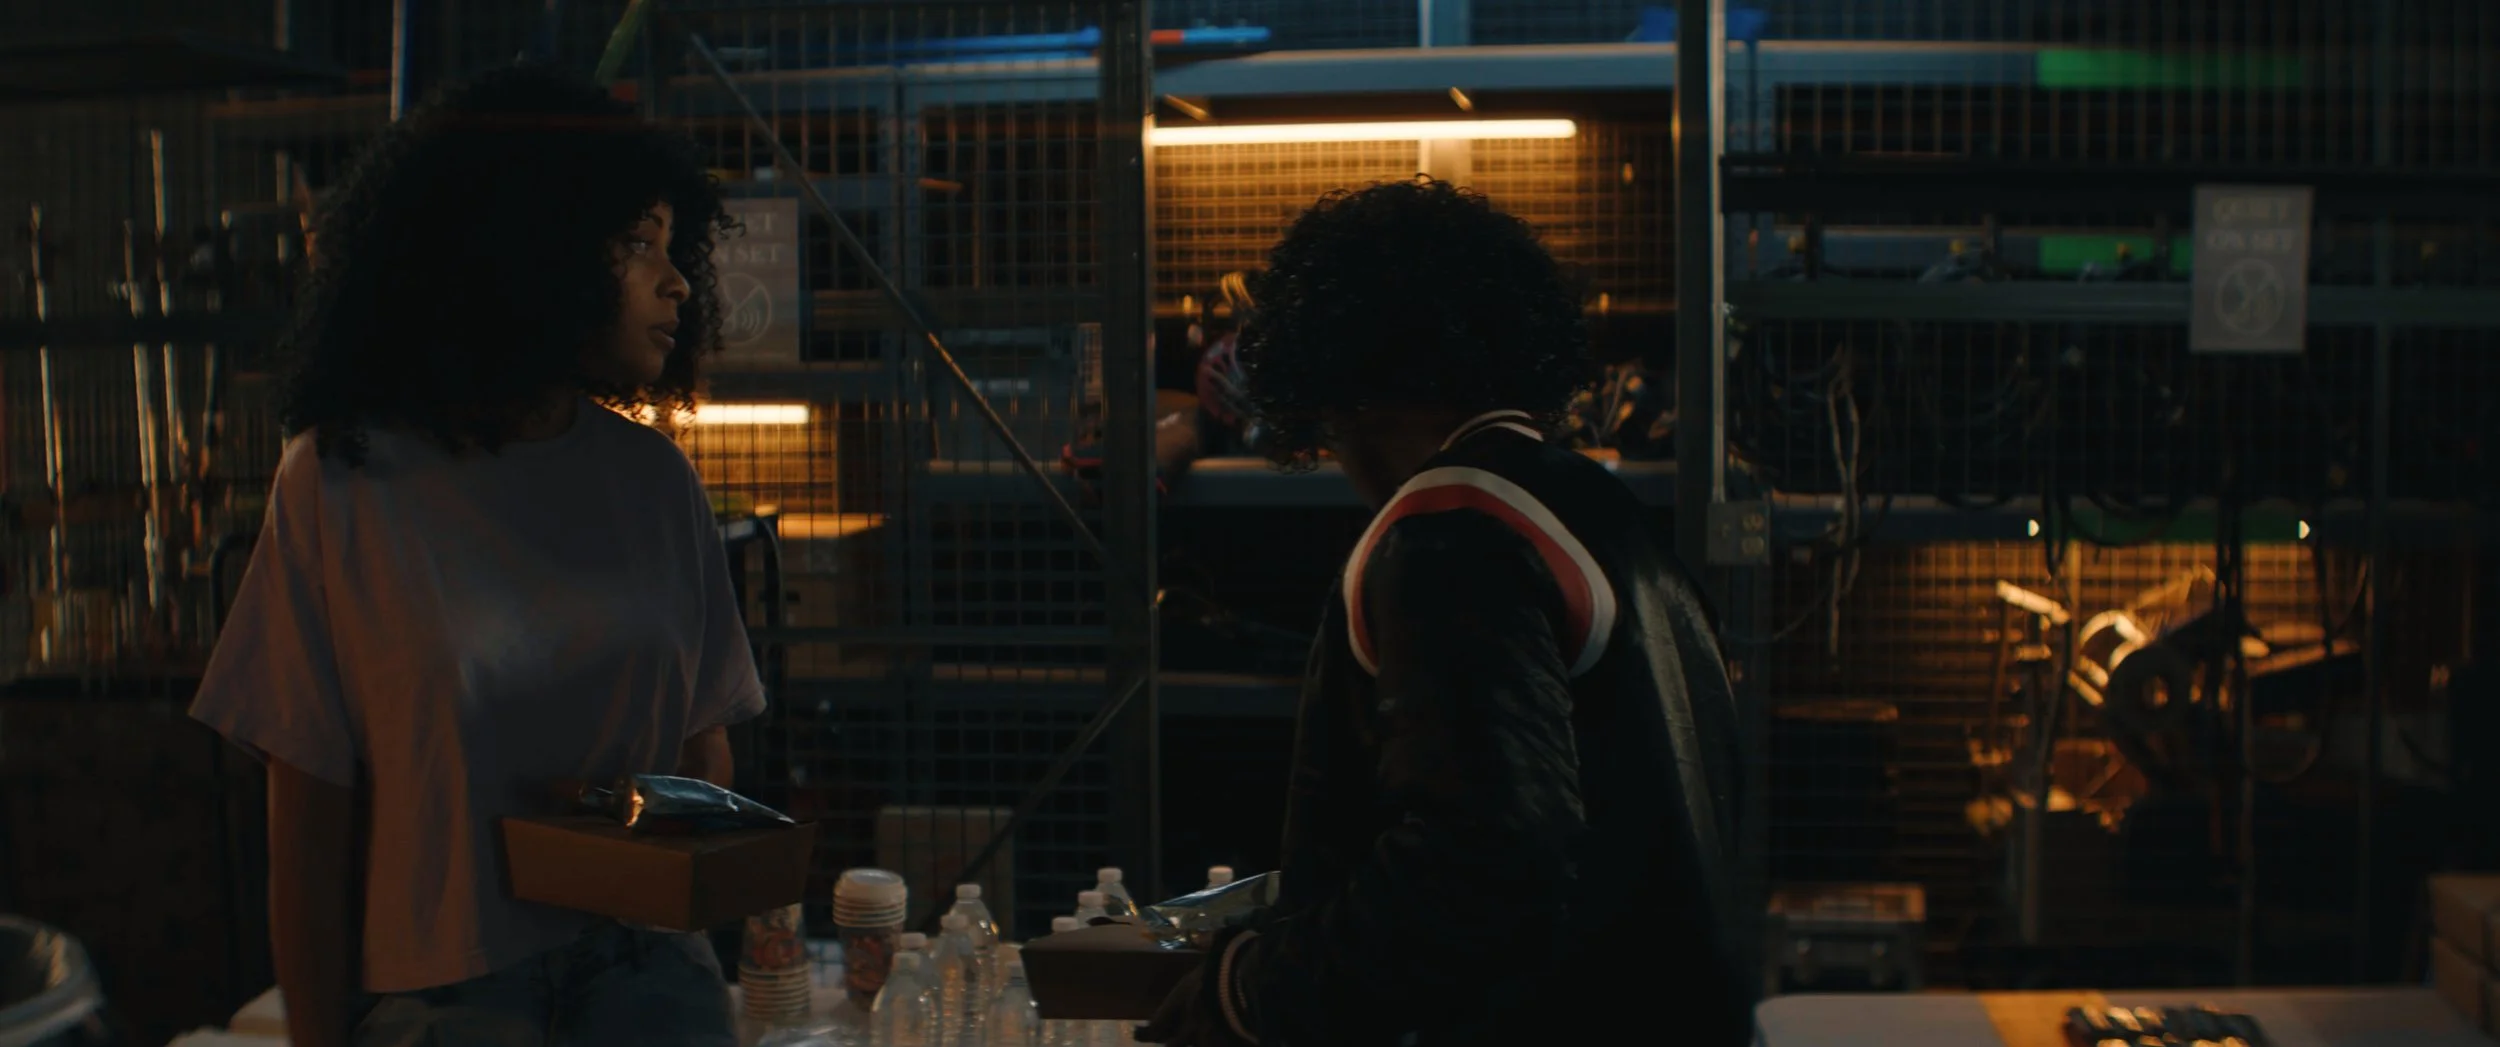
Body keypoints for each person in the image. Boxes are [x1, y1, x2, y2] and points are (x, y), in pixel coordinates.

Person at [188, 65, 759, 1047]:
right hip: (451, 1001)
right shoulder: (341, 480)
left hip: (653, 981)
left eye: (675, 249)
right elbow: (307, 829)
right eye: (637, 246)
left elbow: (705, 758)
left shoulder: (656, 481)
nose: (675, 282)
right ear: (530, 254)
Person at [1137, 178, 1752, 1047]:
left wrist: (1246, 990)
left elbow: (1483, 862)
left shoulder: (1451, 525)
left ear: (1339, 380)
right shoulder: (1606, 516)